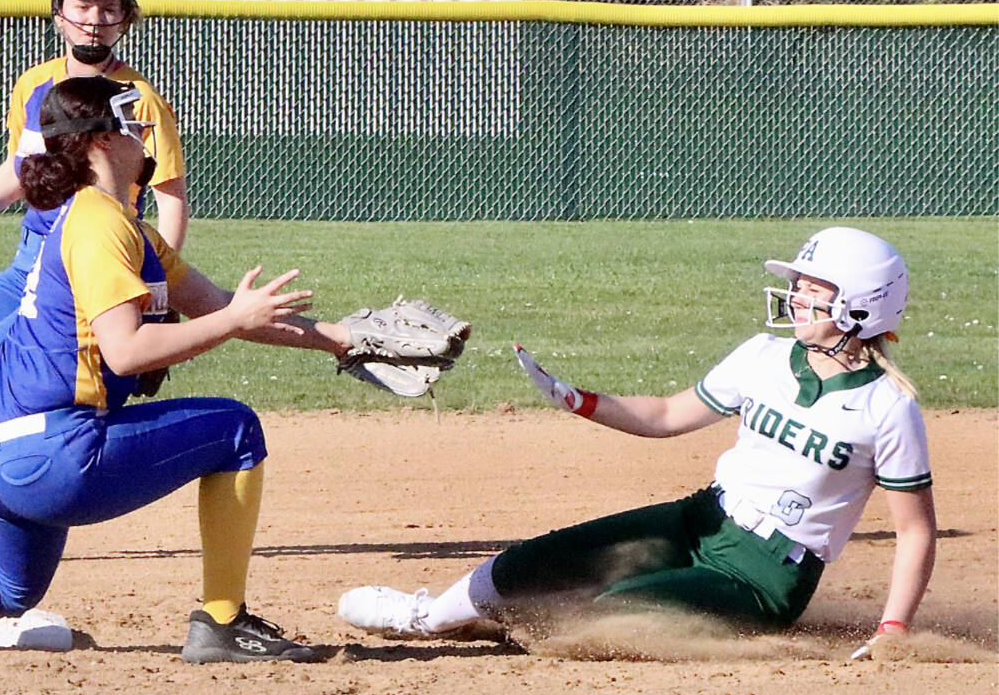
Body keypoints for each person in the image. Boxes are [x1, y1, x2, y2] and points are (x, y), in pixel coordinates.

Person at [0, 75, 363, 663]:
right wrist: (233, 322)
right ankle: (223, 622)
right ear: (100, 142)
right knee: (235, 430)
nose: (145, 133)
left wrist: (345, 341)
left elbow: (214, 305)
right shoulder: (102, 225)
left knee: (11, 587)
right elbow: (130, 352)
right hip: (50, 459)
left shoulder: (107, 221)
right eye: (131, 123)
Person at [338, 227, 935, 660]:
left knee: (612, 614)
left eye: (813, 290)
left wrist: (893, 630)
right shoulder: (764, 357)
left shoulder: (888, 407)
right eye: (798, 286)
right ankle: (426, 617)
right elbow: (670, 414)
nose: (796, 298)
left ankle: (508, 626)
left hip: (765, 577)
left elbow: (914, 530)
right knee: (536, 561)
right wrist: (579, 400)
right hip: (701, 519)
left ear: (862, 304)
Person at [0, 0, 187, 562]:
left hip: (100, 259)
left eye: (109, 10)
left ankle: (13, 515)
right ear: (59, 12)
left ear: (125, 21)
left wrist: (156, 293)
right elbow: (23, 168)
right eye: (82, 6)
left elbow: (168, 197)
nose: (95, 20)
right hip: (34, 259)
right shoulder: (35, 85)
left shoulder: (138, 100)